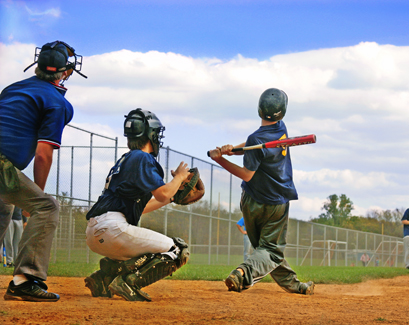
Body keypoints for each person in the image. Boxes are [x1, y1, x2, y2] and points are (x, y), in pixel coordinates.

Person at [0, 41, 87, 302]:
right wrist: (36, 195)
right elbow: (43, 153)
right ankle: (25, 281)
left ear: (36, 67)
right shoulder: (57, 102)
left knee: (3, 206)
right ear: (66, 72)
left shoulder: (12, 89)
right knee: (46, 207)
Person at [209, 88, 314, 295]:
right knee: (270, 251)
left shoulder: (255, 139)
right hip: (276, 203)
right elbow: (253, 152)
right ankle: (243, 272)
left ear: (259, 110)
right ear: (282, 112)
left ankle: (296, 286)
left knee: (266, 251)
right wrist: (232, 152)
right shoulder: (280, 128)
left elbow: (248, 172)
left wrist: (220, 159)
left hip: (251, 201)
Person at [83, 108, 191, 302]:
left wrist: (172, 198)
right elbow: (163, 192)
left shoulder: (127, 159)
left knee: (147, 248)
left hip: (96, 231)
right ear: (151, 135)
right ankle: (129, 282)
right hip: (112, 228)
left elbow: (152, 202)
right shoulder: (142, 157)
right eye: (156, 134)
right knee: (177, 250)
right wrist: (180, 178)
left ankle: (103, 279)